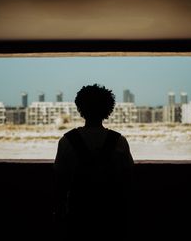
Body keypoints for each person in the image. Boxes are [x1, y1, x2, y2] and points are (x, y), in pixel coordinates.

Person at [53, 84, 134, 240]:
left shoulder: (67, 141)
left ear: (80, 108)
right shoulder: (119, 141)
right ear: (108, 110)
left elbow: (59, 183)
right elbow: (128, 182)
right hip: (111, 214)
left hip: (78, 213)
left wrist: (58, 212)